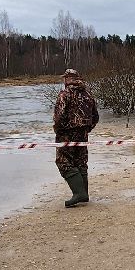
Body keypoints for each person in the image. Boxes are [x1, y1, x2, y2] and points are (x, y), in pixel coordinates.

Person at [53, 68, 99, 208]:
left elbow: (59, 117)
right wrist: (86, 129)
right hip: (83, 135)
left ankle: (79, 194)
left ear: (67, 79)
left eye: (65, 78)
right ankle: (84, 194)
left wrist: (59, 130)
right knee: (80, 162)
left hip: (66, 134)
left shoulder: (64, 94)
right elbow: (95, 117)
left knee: (63, 162)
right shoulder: (88, 94)